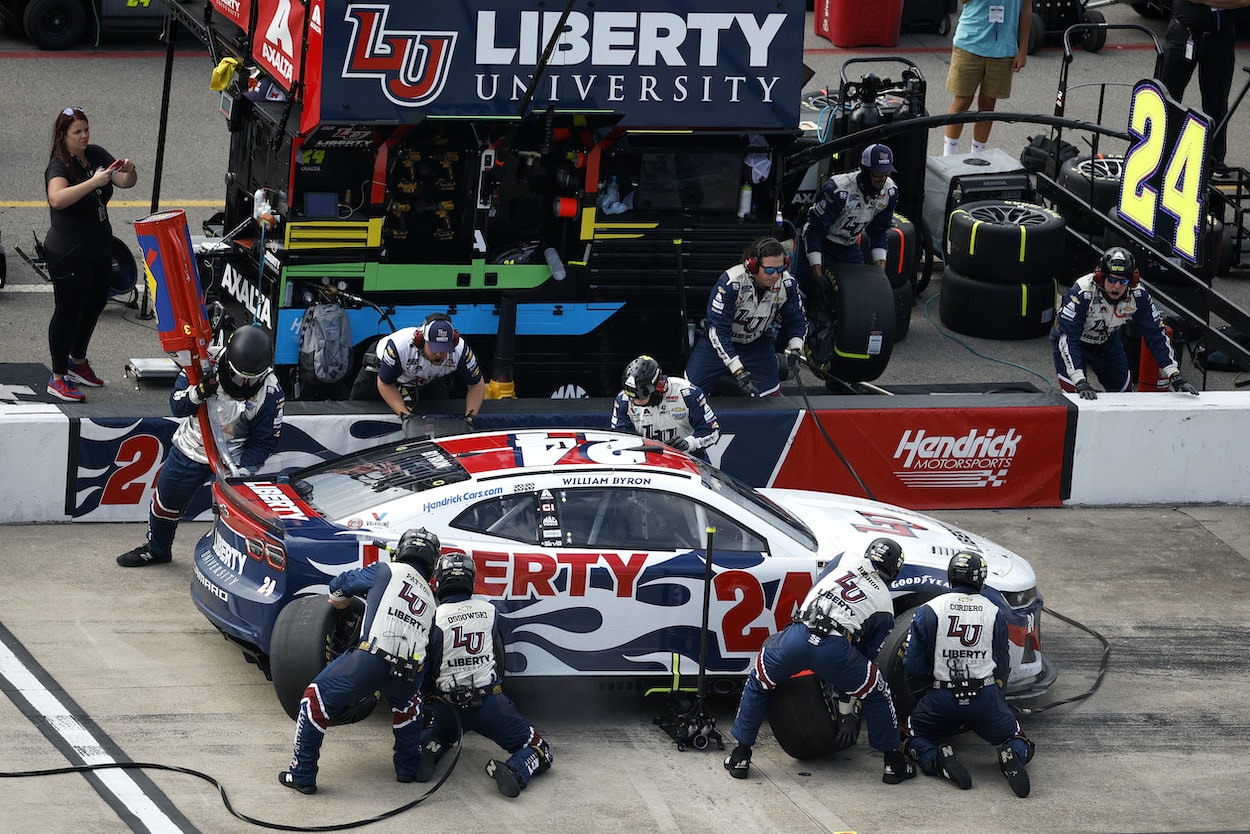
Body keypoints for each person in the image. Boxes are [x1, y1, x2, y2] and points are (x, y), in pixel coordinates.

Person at [723, 538, 915, 785]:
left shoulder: (845, 557)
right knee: (877, 690)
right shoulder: (885, 606)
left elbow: (816, 590)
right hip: (834, 648)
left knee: (759, 680)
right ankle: (893, 764)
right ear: (895, 570)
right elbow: (865, 656)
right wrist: (848, 711)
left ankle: (740, 755)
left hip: (799, 632)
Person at [279, 527, 440, 794]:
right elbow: (432, 645)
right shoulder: (432, 601)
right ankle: (407, 768)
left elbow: (338, 588)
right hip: (410, 672)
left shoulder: (386, 570)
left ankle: (302, 774)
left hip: (372, 659)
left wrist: (347, 612)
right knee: (408, 709)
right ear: (432, 564)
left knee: (313, 700)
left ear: (401, 550)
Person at [117, 325, 285, 567]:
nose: (243, 383)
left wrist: (244, 472)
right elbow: (176, 405)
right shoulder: (203, 363)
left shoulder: (270, 391)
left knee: (233, 517)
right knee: (165, 503)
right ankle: (157, 549)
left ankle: (232, 563)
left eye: (251, 378)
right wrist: (197, 393)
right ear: (227, 360)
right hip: (193, 446)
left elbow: (265, 441)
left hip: (233, 461)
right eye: (238, 375)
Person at [413, 550, 554, 797]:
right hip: (490, 703)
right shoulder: (490, 611)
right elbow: (498, 659)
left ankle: (430, 749)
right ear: (471, 579)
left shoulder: (435, 617)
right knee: (540, 748)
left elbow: (427, 671)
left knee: (441, 733)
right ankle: (515, 769)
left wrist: (427, 698)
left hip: (449, 707)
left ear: (439, 581)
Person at [901, 551, 1036, 798]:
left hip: (942, 699)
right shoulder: (994, 611)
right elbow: (1001, 663)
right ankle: (1012, 754)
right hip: (985, 697)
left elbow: (913, 665)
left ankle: (936, 758)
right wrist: (995, 694)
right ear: (981, 580)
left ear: (951, 577)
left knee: (909, 734)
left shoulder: (928, 609)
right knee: (1017, 737)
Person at [43, 106, 138, 402]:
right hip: (68, 253)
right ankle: (57, 377)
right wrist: (92, 183)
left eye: (86, 130)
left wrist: (128, 171)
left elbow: (123, 182)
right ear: (63, 135)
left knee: (95, 304)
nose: (84, 136)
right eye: (77, 132)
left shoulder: (95, 154)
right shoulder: (59, 166)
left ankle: (77, 362)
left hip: (99, 249)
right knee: (67, 312)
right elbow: (57, 198)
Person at [1052, 246, 1199, 398]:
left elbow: (1155, 333)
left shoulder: (1138, 295)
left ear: (1133, 280)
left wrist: (1173, 373)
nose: (1116, 286)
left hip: (1107, 345)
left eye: (1123, 281)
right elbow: (1068, 338)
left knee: (1126, 397)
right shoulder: (1082, 292)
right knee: (1077, 397)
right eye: (1112, 279)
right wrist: (1079, 380)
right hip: (1073, 343)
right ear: (1101, 276)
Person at [683, 237, 807, 398]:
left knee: (773, 399)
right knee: (688, 394)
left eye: (781, 268)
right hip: (715, 346)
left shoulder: (788, 284)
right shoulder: (731, 283)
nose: (775, 275)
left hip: (756, 344)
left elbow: (797, 319)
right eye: (769, 270)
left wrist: (796, 348)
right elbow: (718, 330)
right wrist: (737, 369)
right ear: (754, 266)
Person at [1158, 0, 1250, 179]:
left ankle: (1214, 161)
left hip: (1220, 39)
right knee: (1167, 98)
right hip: (1183, 35)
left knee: (1216, 102)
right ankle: (1161, 154)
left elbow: (1243, 1)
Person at [349, 314, 486, 434]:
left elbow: (476, 385)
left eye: (444, 349)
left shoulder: (461, 351)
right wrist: (406, 417)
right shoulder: (399, 346)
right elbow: (385, 383)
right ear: (421, 340)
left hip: (427, 378)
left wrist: (470, 419)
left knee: (442, 410)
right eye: (434, 348)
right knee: (357, 409)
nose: (439, 354)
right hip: (382, 371)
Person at [941, 0, 1033, 156]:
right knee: (962, 101)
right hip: (970, 43)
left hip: (1003, 48)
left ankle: (977, 156)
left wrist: (1023, 49)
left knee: (988, 104)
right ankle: (948, 155)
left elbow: (1026, 9)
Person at [802, 143, 899, 274]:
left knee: (859, 290)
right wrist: (817, 273)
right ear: (865, 171)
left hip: (849, 247)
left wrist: (880, 272)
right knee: (810, 288)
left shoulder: (890, 192)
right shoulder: (838, 190)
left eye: (886, 172)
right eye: (877, 173)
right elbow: (814, 231)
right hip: (821, 243)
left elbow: (879, 231)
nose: (882, 179)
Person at [610, 355, 720, 461]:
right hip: (647, 464)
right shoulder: (623, 400)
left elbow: (713, 432)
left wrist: (689, 443)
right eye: (631, 396)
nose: (635, 402)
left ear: (659, 387)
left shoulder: (687, 394)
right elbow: (619, 440)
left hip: (689, 460)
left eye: (641, 397)